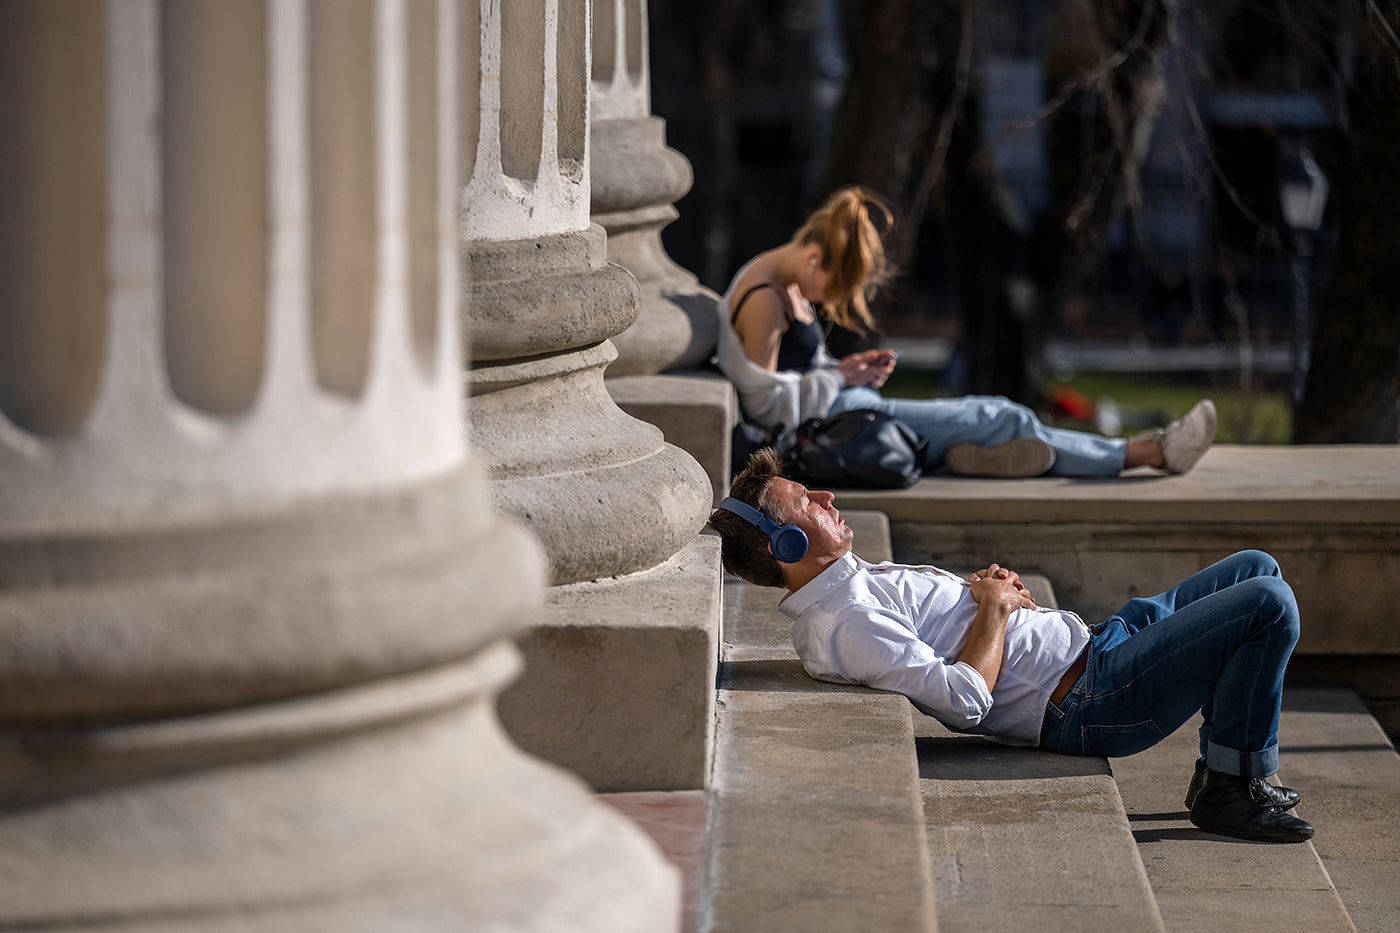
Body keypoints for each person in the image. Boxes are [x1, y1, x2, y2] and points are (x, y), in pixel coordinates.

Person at [707, 448, 1315, 843]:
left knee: (1255, 566)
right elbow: (962, 700)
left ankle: (1223, 768)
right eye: (806, 501)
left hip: (1098, 644)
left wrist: (989, 594)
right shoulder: (847, 622)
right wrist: (995, 608)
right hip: (1095, 699)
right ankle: (1232, 787)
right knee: (1268, 603)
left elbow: (952, 628)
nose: (828, 498)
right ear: (785, 546)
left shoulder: (848, 587)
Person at [714, 186, 1217, 478]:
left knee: (996, 414)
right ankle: (1149, 453)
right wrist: (839, 378)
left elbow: (791, 379)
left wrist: (845, 371)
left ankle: (969, 453)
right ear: (815, 258)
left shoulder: (782, 282)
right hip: (836, 424)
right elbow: (766, 411)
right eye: (835, 286)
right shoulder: (765, 301)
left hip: (846, 409)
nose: (829, 300)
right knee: (999, 415)